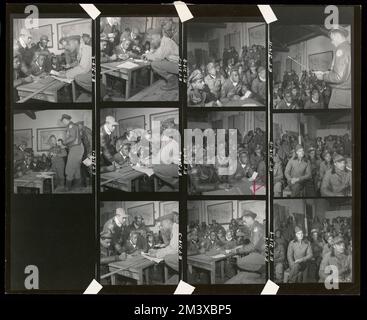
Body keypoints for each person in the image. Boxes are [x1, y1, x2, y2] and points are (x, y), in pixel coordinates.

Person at [314, 26, 351, 108]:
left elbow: (338, 77)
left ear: (338, 36)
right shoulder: (350, 48)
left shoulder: (341, 49)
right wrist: (327, 73)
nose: (331, 42)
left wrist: (323, 76)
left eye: (332, 39)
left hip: (341, 95)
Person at [61, 114, 84, 191]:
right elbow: (74, 140)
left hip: (76, 149)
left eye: (63, 121)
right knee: (76, 168)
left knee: (69, 168)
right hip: (77, 148)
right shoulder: (72, 126)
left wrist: (64, 142)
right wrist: (66, 146)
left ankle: (67, 187)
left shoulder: (71, 126)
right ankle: (78, 186)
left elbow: (72, 137)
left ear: (66, 120)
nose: (63, 123)